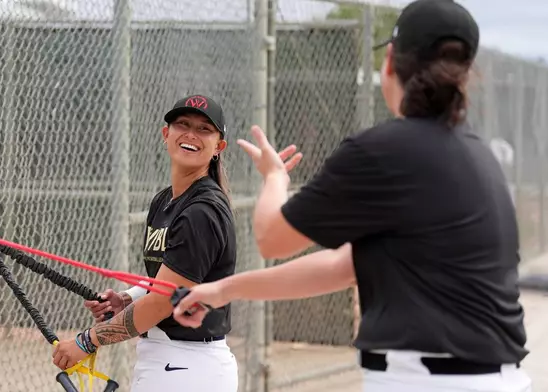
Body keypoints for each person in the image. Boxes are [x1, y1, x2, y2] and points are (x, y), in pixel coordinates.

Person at [172, 1, 533, 391]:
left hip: (424, 381)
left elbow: (272, 238)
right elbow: (344, 266)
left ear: (390, 61)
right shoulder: (479, 156)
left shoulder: (384, 150)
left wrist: (275, 177)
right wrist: (222, 289)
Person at [53, 94, 246, 392]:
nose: (191, 134)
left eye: (204, 129)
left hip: (188, 366)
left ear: (219, 147)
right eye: (182, 124)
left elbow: (162, 301)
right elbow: (167, 277)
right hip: (167, 362)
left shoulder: (201, 212)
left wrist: (87, 341)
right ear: (166, 134)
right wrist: (127, 298)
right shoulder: (165, 201)